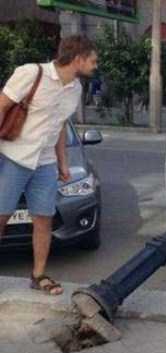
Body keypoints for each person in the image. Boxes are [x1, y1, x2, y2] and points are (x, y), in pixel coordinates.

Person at [0, 35, 98, 296]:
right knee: (1, 216)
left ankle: (39, 275)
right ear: (78, 59)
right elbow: (1, 106)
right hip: (13, 157)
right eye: (92, 60)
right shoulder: (32, 73)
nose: (95, 65)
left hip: (45, 164)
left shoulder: (75, 89)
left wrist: (63, 163)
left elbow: (59, 126)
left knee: (44, 218)